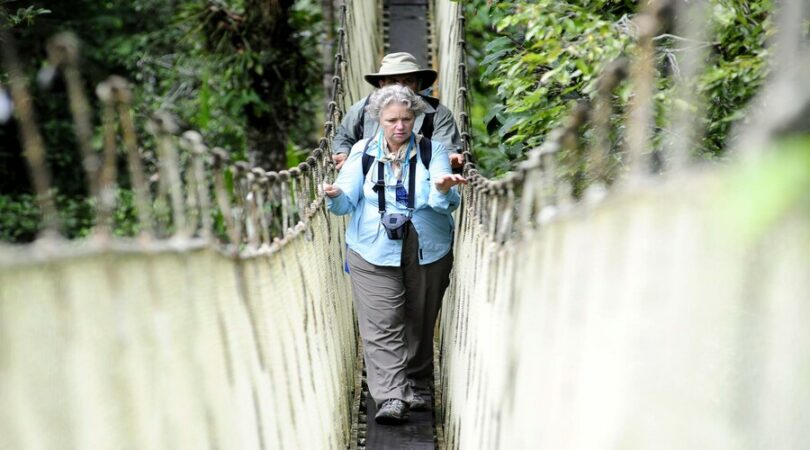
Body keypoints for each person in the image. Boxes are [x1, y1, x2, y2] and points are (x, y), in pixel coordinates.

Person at [323, 85, 466, 424]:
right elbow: (345, 203)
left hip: (427, 245)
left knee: (419, 319)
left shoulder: (435, 151)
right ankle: (391, 397)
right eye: (392, 120)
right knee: (382, 323)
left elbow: (442, 203)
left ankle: (416, 384)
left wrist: (443, 189)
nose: (400, 126)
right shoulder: (363, 152)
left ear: (415, 118)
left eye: (406, 119)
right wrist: (333, 194)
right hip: (371, 247)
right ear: (379, 121)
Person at [332, 52, 464, 171]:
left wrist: (450, 157)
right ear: (382, 84)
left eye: (408, 81)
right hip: (369, 182)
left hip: (422, 185)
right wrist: (343, 153)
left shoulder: (438, 113)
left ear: (418, 84)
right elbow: (344, 137)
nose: (400, 87)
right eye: (393, 82)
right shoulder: (361, 109)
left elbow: (446, 148)